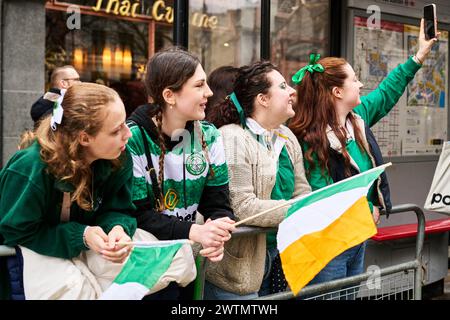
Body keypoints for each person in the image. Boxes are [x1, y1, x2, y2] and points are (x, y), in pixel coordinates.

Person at [0, 83, 192, 300]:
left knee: (172, 259)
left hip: (85, 248)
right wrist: (81, 235)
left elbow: (119, 208)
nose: (128, 134)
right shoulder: (29, 167)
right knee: (79, 292)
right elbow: (16, 230)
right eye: (116, 129)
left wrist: (118, 229)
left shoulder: (118, 157)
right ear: (84, 138)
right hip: (30, 254)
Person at [288, 19, 438, 290]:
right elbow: (322, 192)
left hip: (358, 235)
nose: (359, 85)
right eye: (354, 80)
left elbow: (386, 92)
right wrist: (367, 208)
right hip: (328, 243)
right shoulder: (310, 138)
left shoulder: (356, 119)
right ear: (337, 92)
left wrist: (419, 56)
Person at [126, 47, 236, 299]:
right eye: (199, 85)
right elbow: (137, 214)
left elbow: (219, 204)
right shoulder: (132, 138)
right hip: (144, 268)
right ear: (169, 95)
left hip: (186, 264)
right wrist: (194, 232)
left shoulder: (209, 135)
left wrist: (218, 233)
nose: (209, 92)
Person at [204, 61, 311, 299]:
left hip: (282, 252)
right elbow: (242, 206)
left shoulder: (286, 135)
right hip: (239, 267)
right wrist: (304, 209)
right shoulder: (231, 137)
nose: (292, 91)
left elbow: (302, 190)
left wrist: (307, 204)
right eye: (283, 86)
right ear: (263, 99)